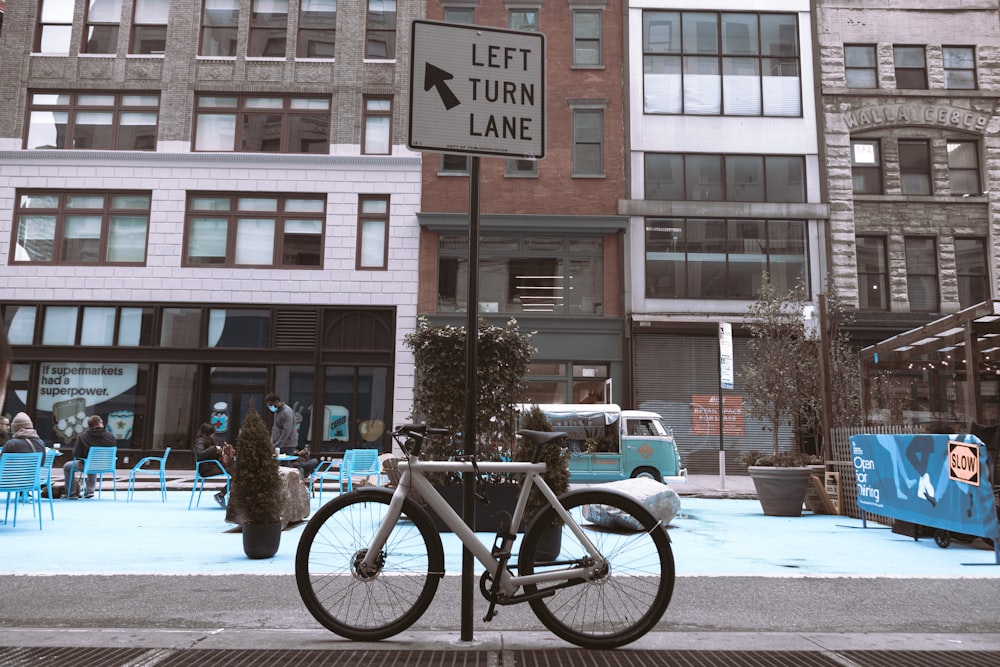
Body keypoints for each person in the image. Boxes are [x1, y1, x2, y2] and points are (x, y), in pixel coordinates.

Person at [62, 414, 115, 499]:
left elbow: (77, 454)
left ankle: (71, 492)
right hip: (106, 465)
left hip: (89, 465)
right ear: (99, 423)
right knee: (92, 463)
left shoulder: (83, 436)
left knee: (67, 466)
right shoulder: (110, 436)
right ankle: (90, 490)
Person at [194, 422, 232, 508]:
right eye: (212, 433)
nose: (213, 435)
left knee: (236, 472)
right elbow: (200, 454)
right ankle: (222, 495)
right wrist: (214, 448)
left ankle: (224, 495)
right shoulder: (200, 441)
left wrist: (220, 452)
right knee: (236, 474)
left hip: (212, 466)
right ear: (207, 433)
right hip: (206, 469)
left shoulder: (208, 441)